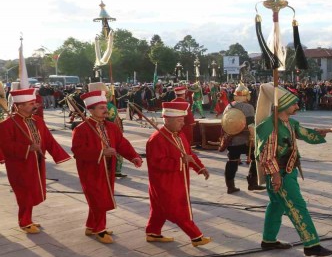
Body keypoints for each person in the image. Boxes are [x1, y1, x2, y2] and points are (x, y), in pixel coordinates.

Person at [255, 83, 332, 257]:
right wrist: (276, 175)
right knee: (298, 206)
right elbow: (266, 155)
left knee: (276, 206)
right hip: (280, 175)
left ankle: (268, 240)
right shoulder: (271, 126)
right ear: (284, 105)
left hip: (288, 170)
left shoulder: (289, 122)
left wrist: (328, 130)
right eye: (294, 104)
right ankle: (311, 245)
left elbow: (305, 132)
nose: (297, 107)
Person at [71, 90, 143, 244]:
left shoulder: (111, 127)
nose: (106, 110)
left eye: (105, 107)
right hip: (91, 170)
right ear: (90, 111)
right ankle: (100, 229)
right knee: (99, 199)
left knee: (100, 198)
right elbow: (77, 151)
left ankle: (91, 226)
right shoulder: (81, 129)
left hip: (108, 169)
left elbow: (122, 143)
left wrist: (134, 156)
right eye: (101, 108)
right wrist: (101, 152)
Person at [0, 88, 71, 233]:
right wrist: (27, 148)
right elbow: (6, 146)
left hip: (37, 161)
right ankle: (24, 222)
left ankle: (29, 219)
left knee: (33, 191)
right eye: (31, 103)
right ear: (19, 106)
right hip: (19, 164)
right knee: (24, 193)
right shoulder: (7, 124)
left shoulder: (38, 120)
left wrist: (60, 155)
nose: (35, 105)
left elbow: (48, 140)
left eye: (34, 102)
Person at [145, 101, 212, 246]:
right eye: (180, 120)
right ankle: (196, 237)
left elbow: (189, 154)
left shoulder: (179, 135)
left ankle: (153, 232)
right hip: (164, 183)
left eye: (183, 120)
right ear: (167, 119)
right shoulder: (156, 139)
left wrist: (200, 167)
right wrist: (181, 161)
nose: (183, 124)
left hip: (178, 179)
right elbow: (157, 163)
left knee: (159, 210)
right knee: (178, 210)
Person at [220, 83, 265, 193]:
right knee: (255, 159)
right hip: (246, 140)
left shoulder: (228, 106)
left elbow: (225, 123)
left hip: (231, 139)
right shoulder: (248, 107)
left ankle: (230, 186)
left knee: (232, 161)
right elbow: (250, 125)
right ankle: (252, 183)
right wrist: (255, 139)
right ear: (246, 96)